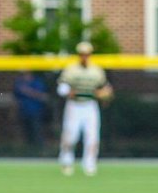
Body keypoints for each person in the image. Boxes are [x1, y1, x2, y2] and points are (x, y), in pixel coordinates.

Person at [56, 41, 112, 177]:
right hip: (74, 104)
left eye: (86, 54)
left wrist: (105, 95)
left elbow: (105, 88)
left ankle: (89, 164)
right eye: (82, 54)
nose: (84, 57)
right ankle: (66, 162)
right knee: (71, 136)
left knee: (92, 137)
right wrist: (67, 91)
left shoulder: (96, 70)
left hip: (90, 105)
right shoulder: (71, 69)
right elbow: (61, 87)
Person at [13, 70, 50, 148]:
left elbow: (43, 96)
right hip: (23, 110)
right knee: (25, 132)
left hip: (36, 110)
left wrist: (28, 91)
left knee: (37, 130)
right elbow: (16, 94)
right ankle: (27, 149)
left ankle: (39, 148)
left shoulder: (37, 81)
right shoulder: (20, 82)